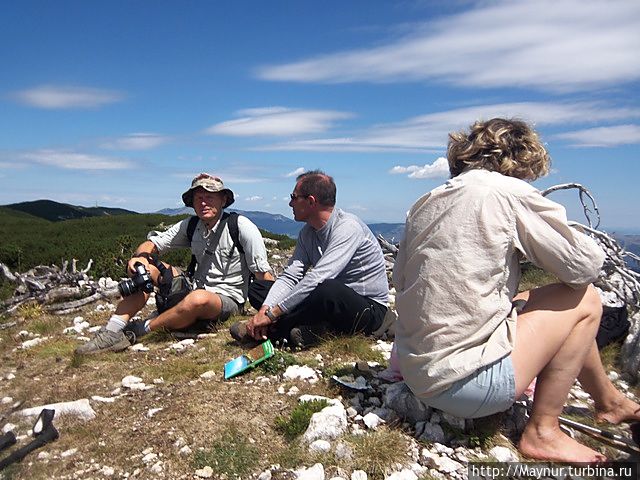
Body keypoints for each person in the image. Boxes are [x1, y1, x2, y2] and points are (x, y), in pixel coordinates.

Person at [393, 118, 640, 463]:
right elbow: (584, 267)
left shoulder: (425, 201)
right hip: (466, 386)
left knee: (526, 299)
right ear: (521, 157)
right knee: (585, 300)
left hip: (416, 369)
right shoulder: (507, 192)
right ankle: (544, 432)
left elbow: (402, 282)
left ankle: (611, 403)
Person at [75, 173, 273, 354]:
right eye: (198, 198)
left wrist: (268, 316)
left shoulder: (240, 227)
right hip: (194, 288)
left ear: (223, 200)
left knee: (198, 299)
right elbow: (153, 243)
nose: (203, 202)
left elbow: (263, 275)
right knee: (145, 268)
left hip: (227, 299)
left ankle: (139, 330)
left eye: (209, 197)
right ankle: (112, 330)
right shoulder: (192, 225)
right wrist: (140, 258)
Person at [230, 170, 389, 349]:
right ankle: (318, 329)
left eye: (294, 197)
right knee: (259, 288)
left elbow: (318, 277)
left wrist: (272, 314)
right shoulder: (308, 233)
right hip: (324, 302)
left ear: (311, 201)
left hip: (366, 308)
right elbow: (291, 276)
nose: (290, 203)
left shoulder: (347, 228)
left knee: (327, 289)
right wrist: (265, 309)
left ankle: (274, 330)